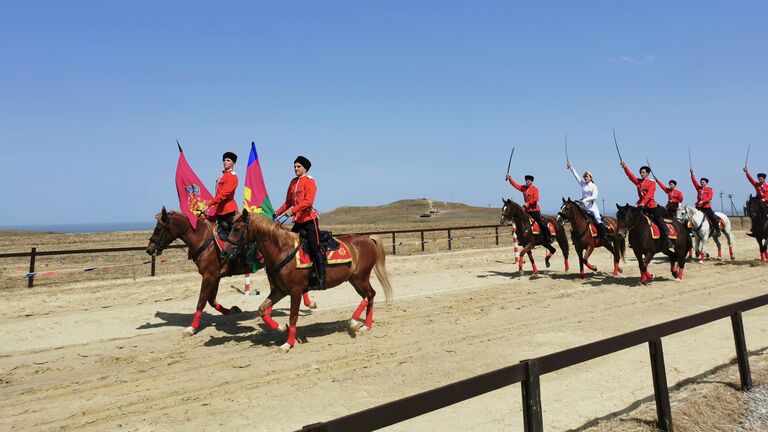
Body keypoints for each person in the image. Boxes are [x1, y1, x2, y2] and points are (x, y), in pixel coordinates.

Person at [274, 156, 326, 290]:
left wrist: (293, 210)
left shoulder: (310, 181)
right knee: (289, 246)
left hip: (309, 219)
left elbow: (309, 201)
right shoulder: (292, 182)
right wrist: (277, 213)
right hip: (298, 221)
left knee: (315, 246)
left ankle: (321, 278)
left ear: (305, 168)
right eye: (295, 166)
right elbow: (288, 202)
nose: (296, 169)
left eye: (298, 166)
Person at [620, 161, 674, 249]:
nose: (641, 174)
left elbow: (649, 195)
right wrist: (625, 167)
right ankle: (632, 240)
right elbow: (630, 176)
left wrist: (642, 203)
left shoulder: (652, 183)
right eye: (640, 172)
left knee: (659, 221)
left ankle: (667, 240)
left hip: (651, 206)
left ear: (648, 173)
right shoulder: (638, 182)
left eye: (643, 172)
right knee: (633, 220)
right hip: (641, 206)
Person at [567, 161, 607, 244]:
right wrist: (571, 167)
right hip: (583, 207)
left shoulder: (593, 186)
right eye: (584, 177)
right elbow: (576, 176)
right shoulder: (583, 184)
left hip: (592, 207)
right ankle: (576, 237)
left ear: (591, 177)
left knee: (598, 219)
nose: (585, 178)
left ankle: (603, 237)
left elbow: (595, 196)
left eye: (587, 177)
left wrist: (585, 200)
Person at [506, 173, 552, 243]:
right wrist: (510, 179)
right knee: (520, 221)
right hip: (526, 210)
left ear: (531, 182)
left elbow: (536, 199)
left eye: (528, 181)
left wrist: (527, 203)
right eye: (526, 181)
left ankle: (548, 237)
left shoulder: (535, 188)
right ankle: (522, 239)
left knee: (541, 223)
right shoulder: (523, 188)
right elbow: (516, 185)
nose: (526, 182)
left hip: (534, 210)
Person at [206, 151, 239, 237]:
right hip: (219, 210)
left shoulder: (232, 176)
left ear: (233, 163)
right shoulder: (222, 176)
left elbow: (224, 194)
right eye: (224, 160)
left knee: (236, 235)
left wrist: (210, 204)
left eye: (228, 160)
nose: (225, 162)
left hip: (228, 211)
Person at [690, 170, 721, 237]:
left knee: (713, 217)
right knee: (692, 217)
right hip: (698, 207)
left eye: (703, 182)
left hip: (706, 207)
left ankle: (718, 230)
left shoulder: (709, 189)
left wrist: (703, 201)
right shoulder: (698, 188)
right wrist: (692, 174)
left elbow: (709, 198)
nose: (701, 183)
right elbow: (694, 181)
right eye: (701, 182)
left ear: (706, 183)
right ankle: (692, 231)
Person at [743, 167, 768, 237]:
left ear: (764, 179)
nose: (759, 180)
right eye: (759, 179)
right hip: (759, 204)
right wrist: (746, 172)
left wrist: (765, 199)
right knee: (754, 216)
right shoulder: (757, 185)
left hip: (766, 204)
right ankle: (753, 229)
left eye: (761, 179)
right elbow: (751, 180)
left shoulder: (767, 186)